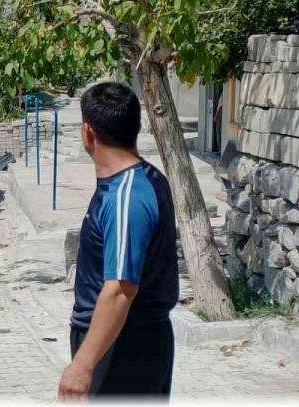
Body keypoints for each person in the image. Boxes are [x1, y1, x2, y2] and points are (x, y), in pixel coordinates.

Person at [59, 82, 178, 401]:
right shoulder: (144, 179)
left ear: (87, 132)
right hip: (127, 341)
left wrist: (82, 365)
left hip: (124, 346)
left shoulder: (127, 196)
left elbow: (121, 289)